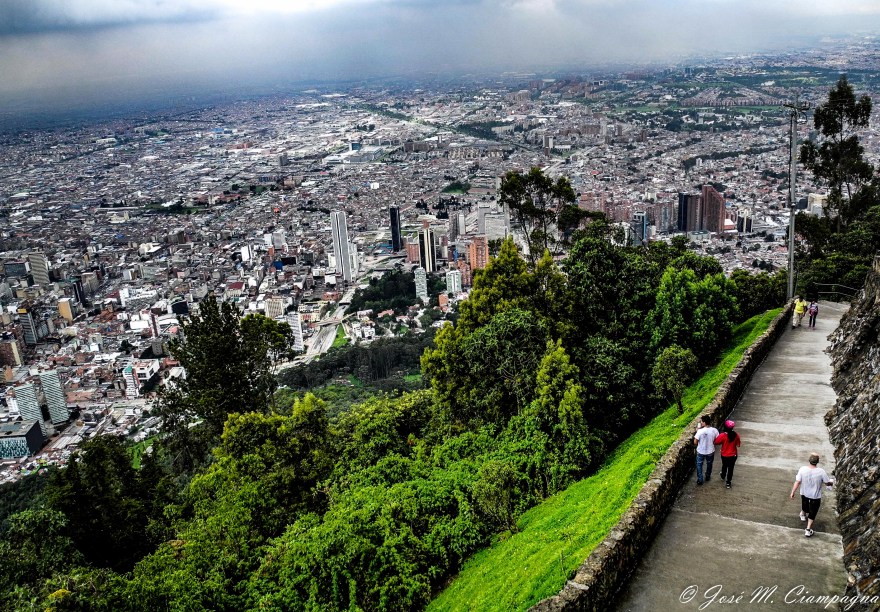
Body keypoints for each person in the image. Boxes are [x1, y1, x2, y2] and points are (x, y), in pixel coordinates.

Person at [790, 453, 834, 537]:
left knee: (805, 505)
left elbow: (798, 482)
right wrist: (831, 482)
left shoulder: (802, 469)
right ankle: (808, 529)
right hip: (815, 496)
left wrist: (793, 492)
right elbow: (827, 483)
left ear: (809, 461)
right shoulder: (821, 472)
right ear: (817, 462)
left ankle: (803, 514)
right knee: (812, 512)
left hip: (804, 493)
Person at [715, 419, 741, 488]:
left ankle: (723, 475)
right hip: (733, 455)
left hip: (724, 454)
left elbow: (716, 442)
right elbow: (738, 445)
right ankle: (728, 483)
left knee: (724, 465)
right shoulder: (736, 435)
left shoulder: (723, 435)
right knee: (731, 468)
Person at [694, 415, 719, 485]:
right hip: (710, 450)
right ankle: (707, 476)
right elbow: (718, 440)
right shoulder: (714, 430)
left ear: (704, 422)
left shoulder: (700, 431)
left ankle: (700, 479)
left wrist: (697, 432)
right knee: (709, 464)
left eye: (702, 421)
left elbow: (695, 442)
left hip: (701, 451)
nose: (701, 423)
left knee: (699, 465)